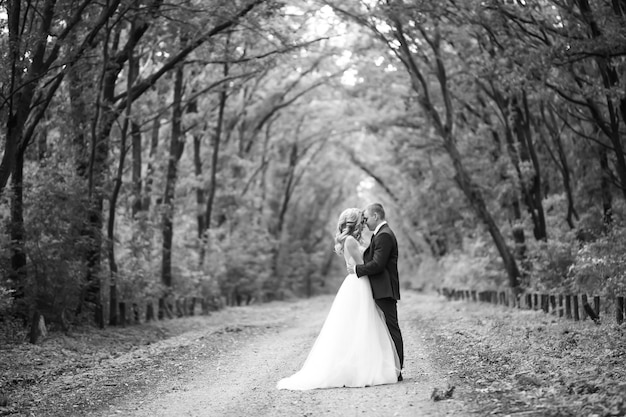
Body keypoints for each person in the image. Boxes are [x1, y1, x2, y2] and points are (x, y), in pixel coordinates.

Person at [276, 208, 400, 390]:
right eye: (362, 220)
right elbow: (362, 266)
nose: (364, 222)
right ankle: (357, 369)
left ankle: (365, 364)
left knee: (363, 325)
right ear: (356, 223)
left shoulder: (355, 240)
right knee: (358, 325)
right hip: (358, 283)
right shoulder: (350, 241)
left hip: (360, 282)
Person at [349, 203, 404, 381]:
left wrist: (357, 270)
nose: (364, 222)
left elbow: (378, 265)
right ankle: (391, 367)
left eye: (366, 217)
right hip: (381, 288)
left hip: (384, 289)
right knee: (385, 329)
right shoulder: (380, 234)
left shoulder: (384, 235)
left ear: (375, 216)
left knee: (391, 328)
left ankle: (397, 369)